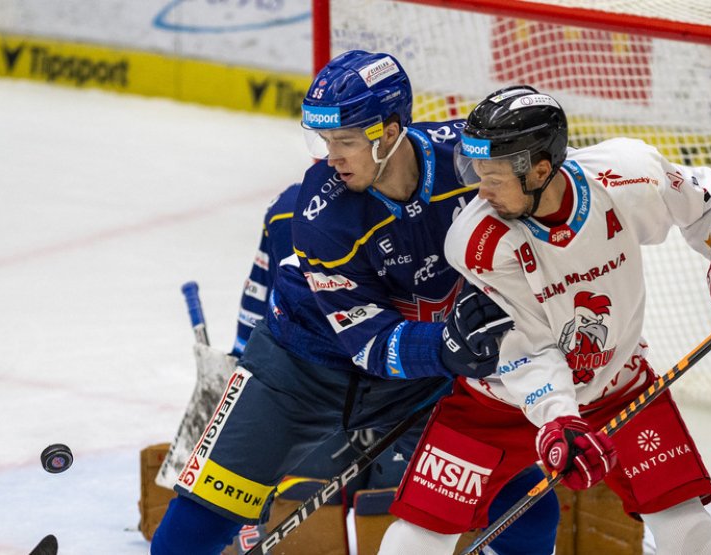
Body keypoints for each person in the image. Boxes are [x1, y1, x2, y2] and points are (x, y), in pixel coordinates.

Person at [150, 53, 560, 555]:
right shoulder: (321, 211)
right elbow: (370, 343)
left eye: (345, 141)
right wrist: (450, 343)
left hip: (420, 382)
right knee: (194, 526)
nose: (332, 157)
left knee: (526, 502)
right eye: (325, 142)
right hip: (297, 373)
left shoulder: (469, 160)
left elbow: (554, 183)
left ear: (389, 133)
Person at [378, 85, 711, 555]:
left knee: (683, 519)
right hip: (496, 401)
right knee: (423, 531)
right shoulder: (477, 241)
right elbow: (527, 348)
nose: (481, 191)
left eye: (494, 177)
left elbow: (706, 201)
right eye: (477, 173)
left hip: (617, 386)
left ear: (539, 169)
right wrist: (559, 420)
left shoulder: (626, 176)